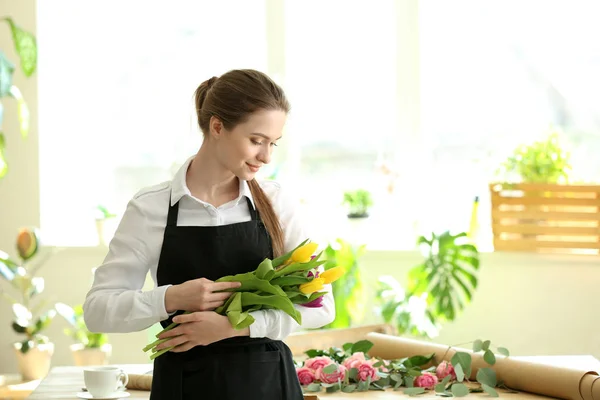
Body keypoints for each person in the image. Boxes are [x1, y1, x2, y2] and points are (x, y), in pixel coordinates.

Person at [83, 69, 336, 400]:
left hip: (268, 384)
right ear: (217, 127)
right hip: (183, 387)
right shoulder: (151, 208)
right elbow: (98, 310)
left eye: (273, 143)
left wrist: (236, 326)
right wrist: (172, 298)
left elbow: (321, 306)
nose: (266, 156)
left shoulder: (277, 202)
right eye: (256, 140)